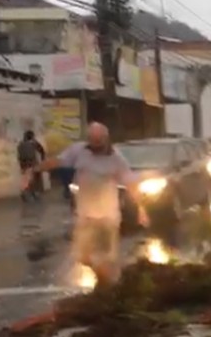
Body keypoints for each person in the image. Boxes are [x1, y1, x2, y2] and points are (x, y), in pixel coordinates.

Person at [22, 122, 149, 285]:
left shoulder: (116, 159)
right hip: (85, 215)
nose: (95, 146)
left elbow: (131, 185)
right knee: (82, 256)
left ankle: (111, 286)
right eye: (92, 141)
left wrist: (141, 209)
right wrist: (33, 170)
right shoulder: (78, 151)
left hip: (107, 217)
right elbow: (58, 161)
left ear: (106, 139)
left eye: (99, 142)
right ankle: (105, 278)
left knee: (108, 257)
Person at [17, 130, 46, 202]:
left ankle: (26, 194)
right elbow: (42, 151)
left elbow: (19, 155)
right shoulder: (34, 143)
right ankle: (33, 194)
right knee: (34, 179)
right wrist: (43, 159)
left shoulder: (20, 144)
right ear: (32, 136)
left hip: (24, 164)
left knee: (26, 179)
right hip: (32, 163)